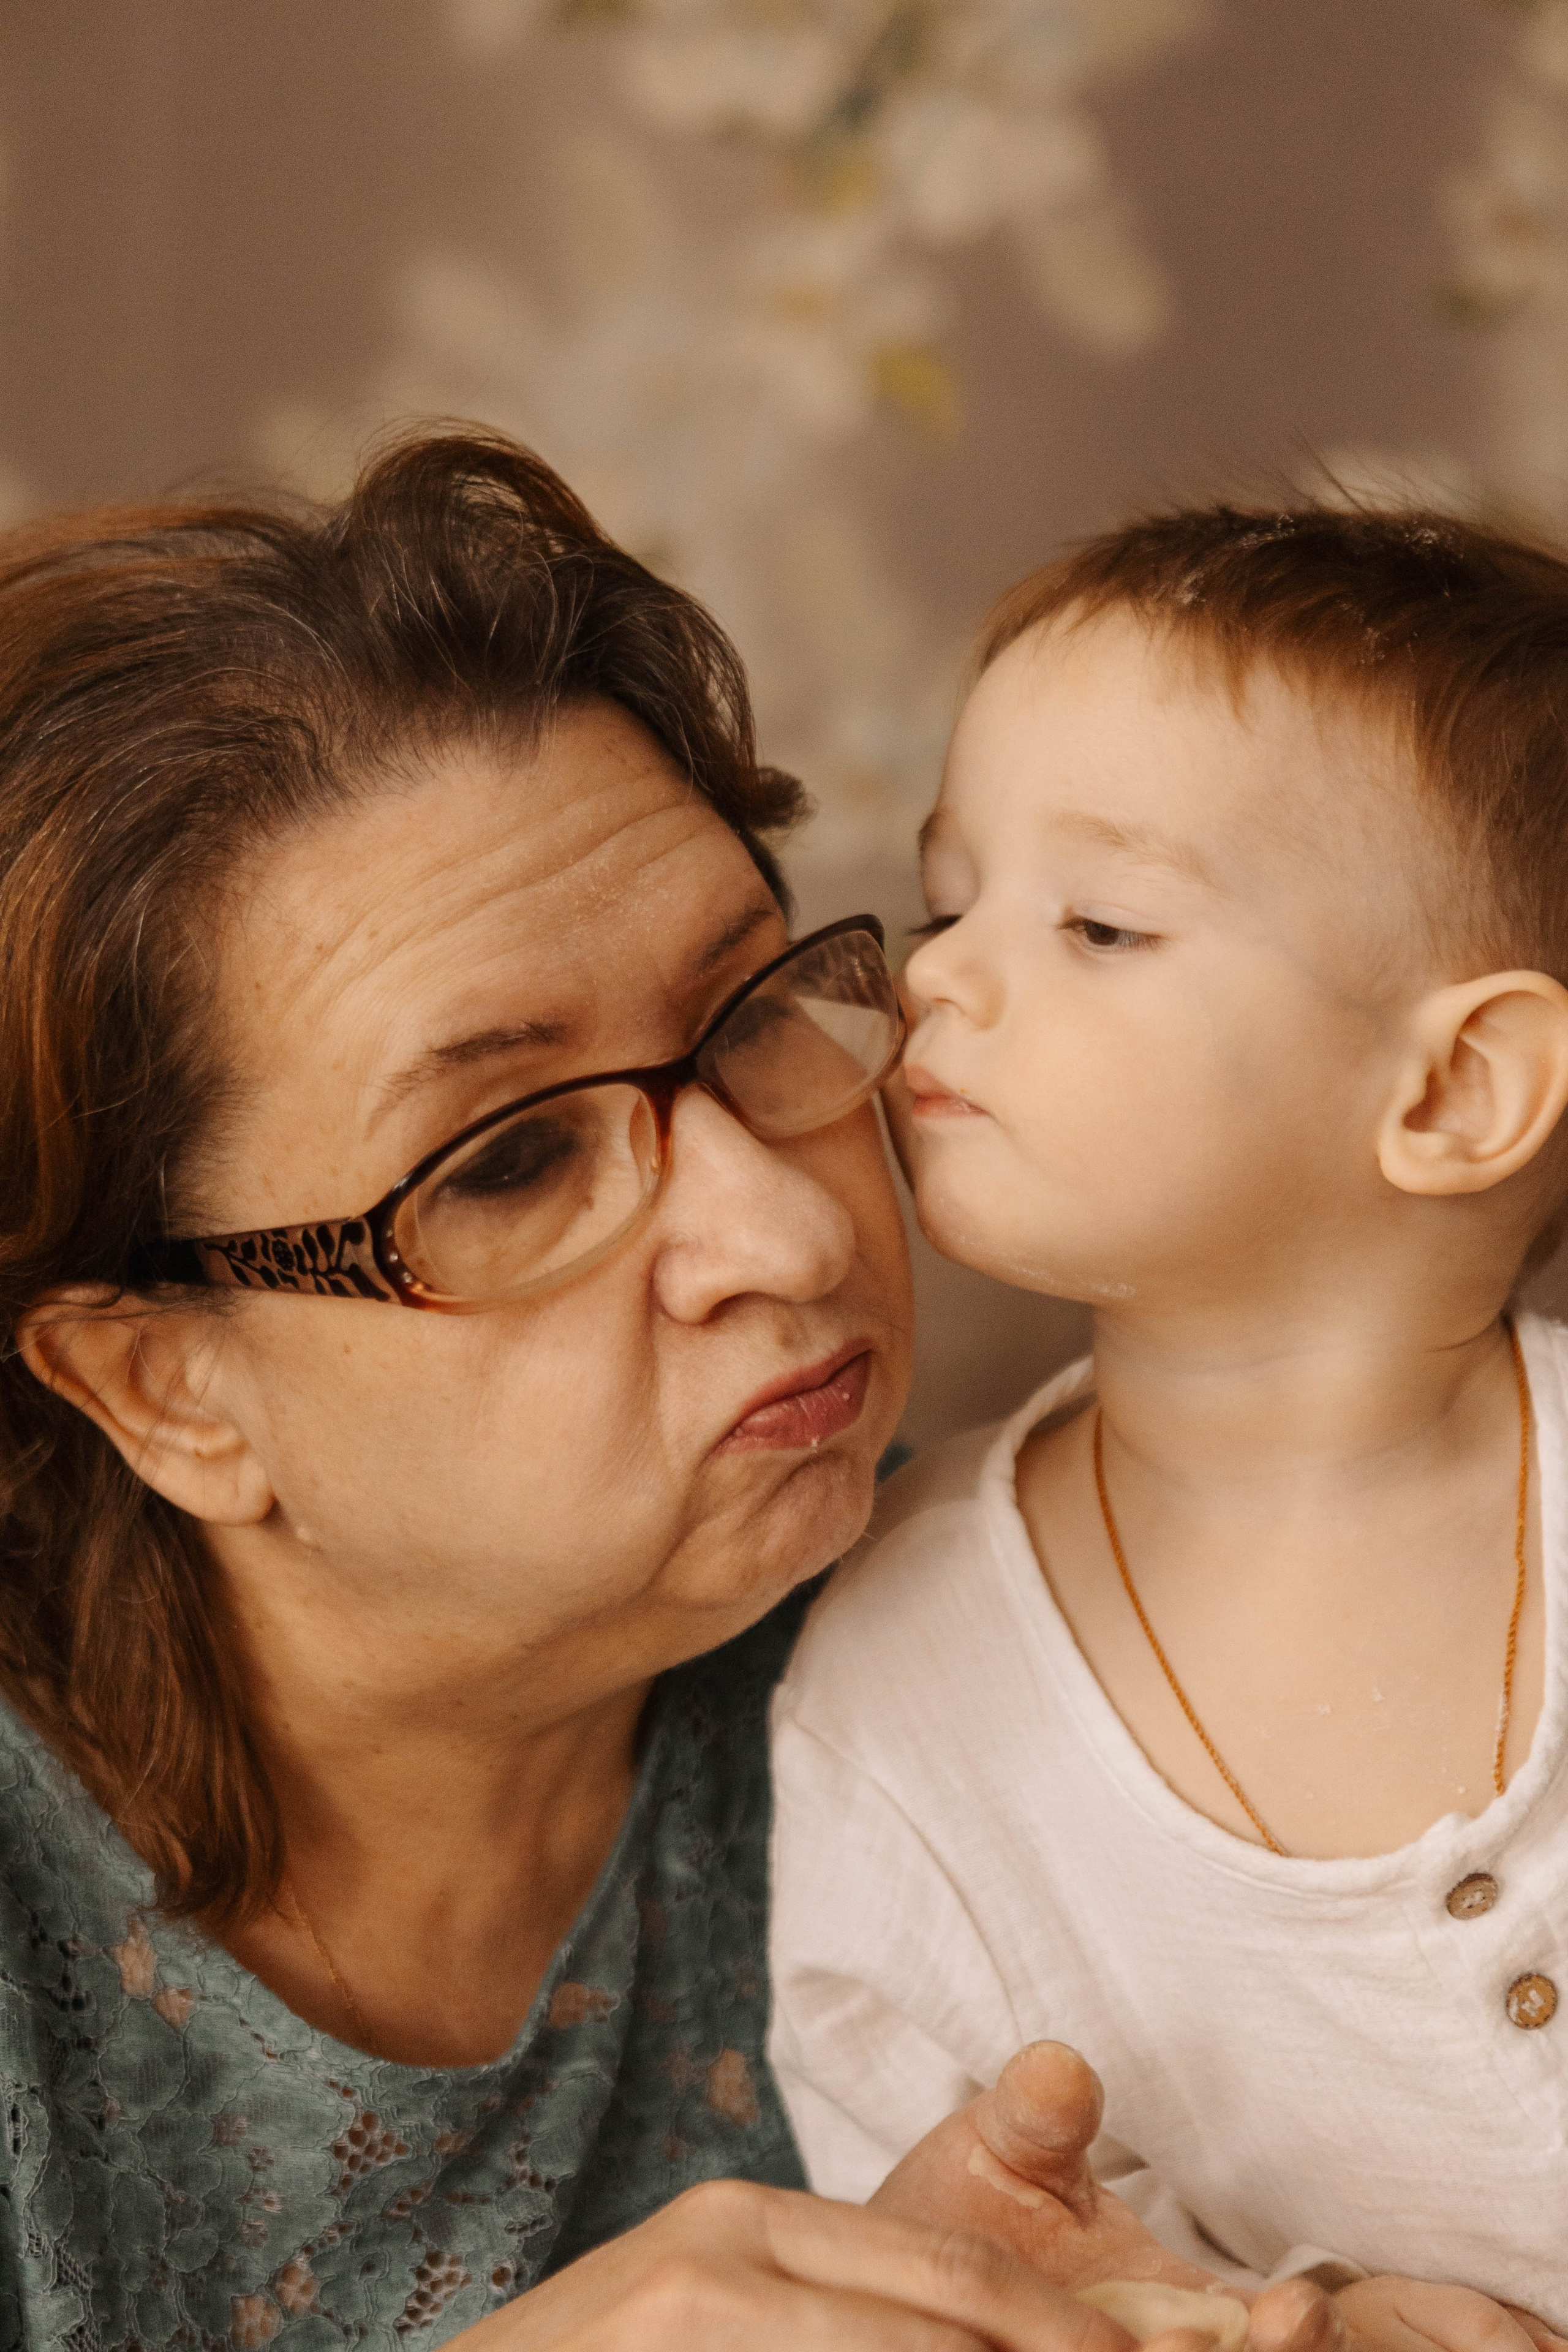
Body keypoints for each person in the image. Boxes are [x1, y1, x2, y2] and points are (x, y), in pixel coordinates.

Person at [0, 424, 1230, 2352]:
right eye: (509, 1160)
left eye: (750, 1014)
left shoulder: (1054, 1647)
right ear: (169, 1392)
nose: (788, 1233)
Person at [769, 503, 1568, 2344]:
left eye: (1101, 924)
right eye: (951, 898)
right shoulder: (904, 1702)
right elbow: (978, 2270)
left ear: (1453, 1089)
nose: (933, 974)